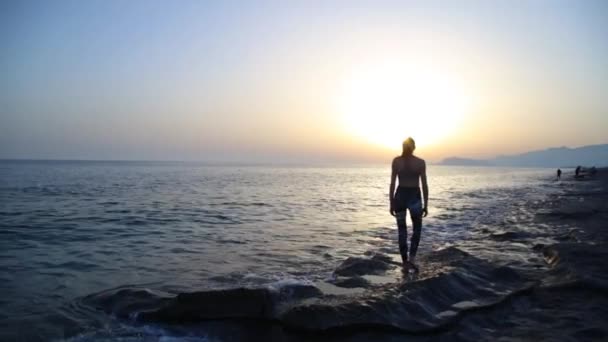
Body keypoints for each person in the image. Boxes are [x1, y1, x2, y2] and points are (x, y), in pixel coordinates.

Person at [389, 137, 428, 270]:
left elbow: (393, 183)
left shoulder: (396, 161)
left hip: (399, 196)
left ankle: (405, 262)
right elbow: (424, 185)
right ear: (414, 147)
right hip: (414, 196)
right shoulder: (420, 162)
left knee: (402, 230)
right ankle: (412, 259)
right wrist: (426, 204)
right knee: (417, 229)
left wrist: (391, 202)